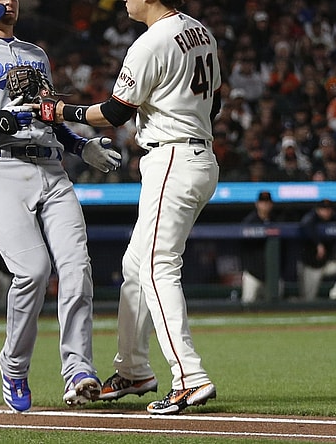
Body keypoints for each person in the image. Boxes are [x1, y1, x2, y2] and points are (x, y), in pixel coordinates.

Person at [33, 0, 221, 414]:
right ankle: (134, 369)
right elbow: (216, 104)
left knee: (156, 268)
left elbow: (115, 113)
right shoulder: (200, 30)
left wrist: (59, 111)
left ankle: (190, 377)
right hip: (198, 155)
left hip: (173, 158)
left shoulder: (151, 42)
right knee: (136, 269)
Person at [0, 0, 120, 412]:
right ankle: (14, 366)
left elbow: (47, 117)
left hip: (51, 168)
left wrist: (80, 145)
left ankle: (78, 371)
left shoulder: (36, 54)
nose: (10, 2)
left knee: (76, 266)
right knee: (33, 271)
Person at [240, 191, 283, 306]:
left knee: (276, 307)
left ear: (271, 204)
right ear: (257, 204)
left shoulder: (276, 221)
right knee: (246, 306)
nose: (265, 205)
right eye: (262, 202)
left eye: (267, 202)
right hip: (253, 274)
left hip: (272, 275)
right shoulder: (249, 222)